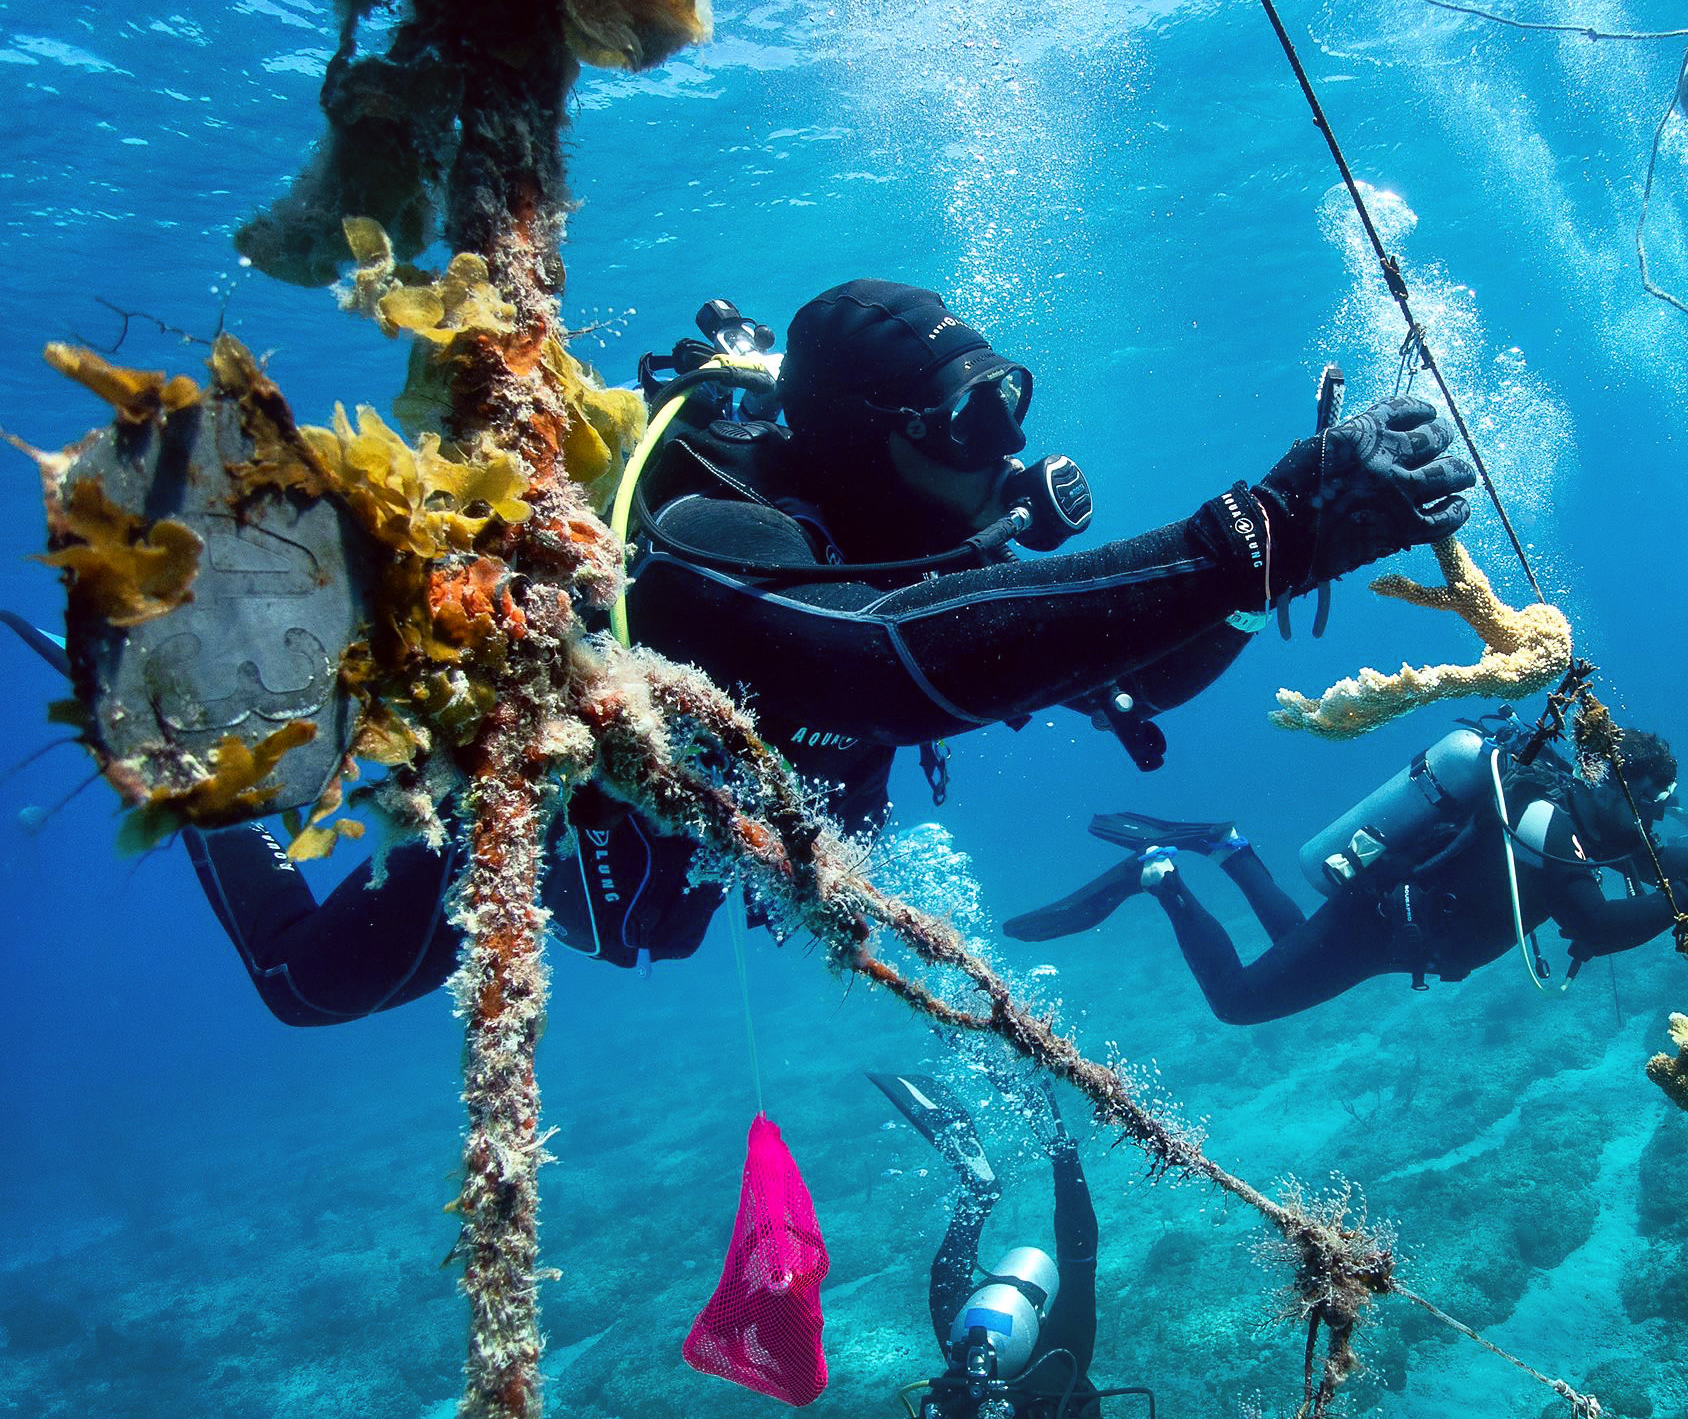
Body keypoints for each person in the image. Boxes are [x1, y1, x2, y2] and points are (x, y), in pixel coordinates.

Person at [176, 278, 1477, 1025]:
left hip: (699, 844)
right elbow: (868, 669)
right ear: (866, 438)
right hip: (547, 818)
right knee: (306, 988)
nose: (1004, 449)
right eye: (966, 420)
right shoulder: (708, 534)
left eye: (1004, 405)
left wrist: (1274, 565)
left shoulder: (913, 543)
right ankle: (188, 761)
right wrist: (1256, 533)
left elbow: (1123, 676)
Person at [1002, 715, 1688, 1025]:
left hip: (1395, 934)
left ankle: (1233, 848)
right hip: (1382, 924)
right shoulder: (1550, 826)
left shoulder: (1584, 820)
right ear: (1615, 785)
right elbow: (1601, 924)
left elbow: (1654, 862)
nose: (1654, 817)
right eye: (1650, 799)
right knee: (1240, 1003)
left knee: (1292, 945)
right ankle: (1161, 877)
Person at [864, 1072, 1152, 1419]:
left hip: (1051, 1368)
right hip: (983, 1346)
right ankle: (982, 1189)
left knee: (1078, 1267)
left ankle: (1058, 1150)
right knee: (946, 1285)